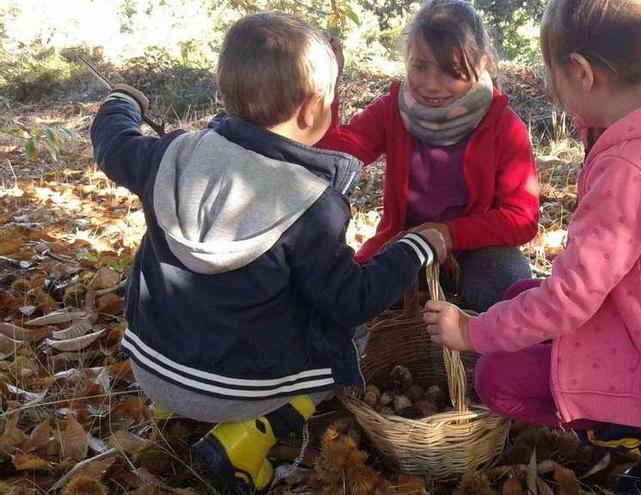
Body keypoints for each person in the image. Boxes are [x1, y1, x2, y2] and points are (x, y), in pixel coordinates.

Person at [90, 12, 446, 495]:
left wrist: (121, 102)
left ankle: (174, 412)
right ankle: (247, 437)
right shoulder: (310, 202)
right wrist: (416, 247)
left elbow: (114, 144)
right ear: (310, 111)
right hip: (239, 392)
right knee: (355, 330)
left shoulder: (172, 156)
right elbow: (351, 300)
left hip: (152, 370)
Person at [422, 0, 641, 493]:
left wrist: (471, 332)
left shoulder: (631, 170)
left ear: (581, 72)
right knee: (515, 293)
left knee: (498, 378)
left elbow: (569, 301)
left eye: (555, 76)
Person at [318, 0, 539, 312]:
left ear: (481, 64)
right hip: (406, 246)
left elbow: (522, 219)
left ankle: (484, 355)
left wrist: (448, 234)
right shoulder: (392, 111)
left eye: (451, 70)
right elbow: (334, 155)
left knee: (506, 278)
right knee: (354, 298)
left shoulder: (503, 125)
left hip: (475, 253)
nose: (431, 85)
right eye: (420, 66)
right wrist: (328, 86)